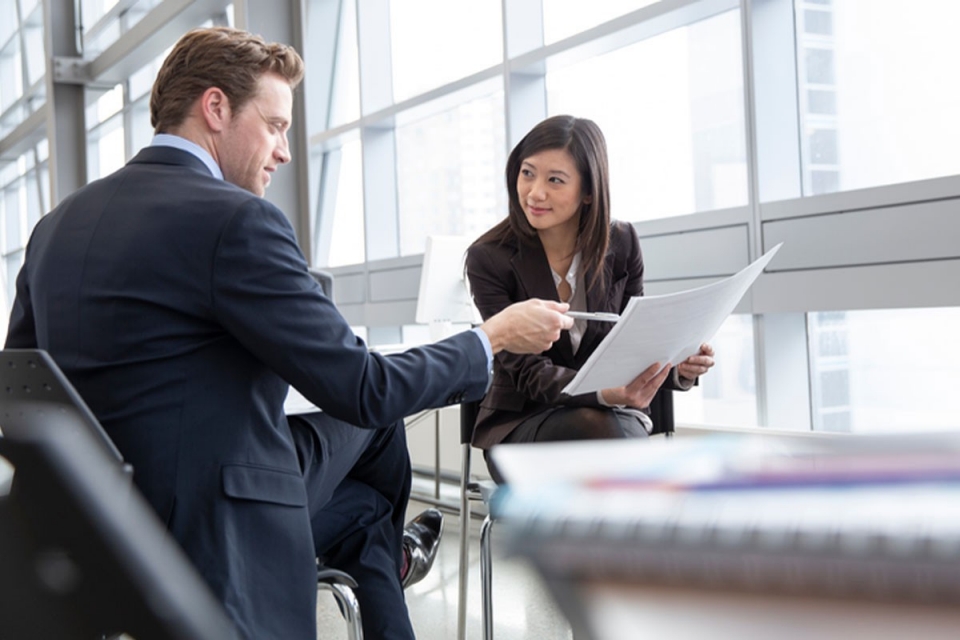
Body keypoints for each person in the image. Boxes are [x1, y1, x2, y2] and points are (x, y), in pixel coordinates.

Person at [4, 27, 573, 640]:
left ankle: (383, 553)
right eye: (274, 126)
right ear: (215, 107)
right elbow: (364, 388)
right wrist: (491, 338)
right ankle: (386, 554)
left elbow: (19, 386)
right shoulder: (235, 220)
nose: (284, 151)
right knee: (377, 423)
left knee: (361, 514)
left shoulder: (55, 227)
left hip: (90, 517)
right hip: (207, 521)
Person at [465, 115, 715, 478]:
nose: (534, 192)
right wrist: (605, 394)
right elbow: (527, 372)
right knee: (605, 436)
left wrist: (678, 367)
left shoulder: (622, 243)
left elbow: (635, 341)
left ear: (588, 191)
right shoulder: (489, 258)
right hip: (525, 424)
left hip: (611, 421)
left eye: (555, 180)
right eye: (527, 173)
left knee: (607, 438)